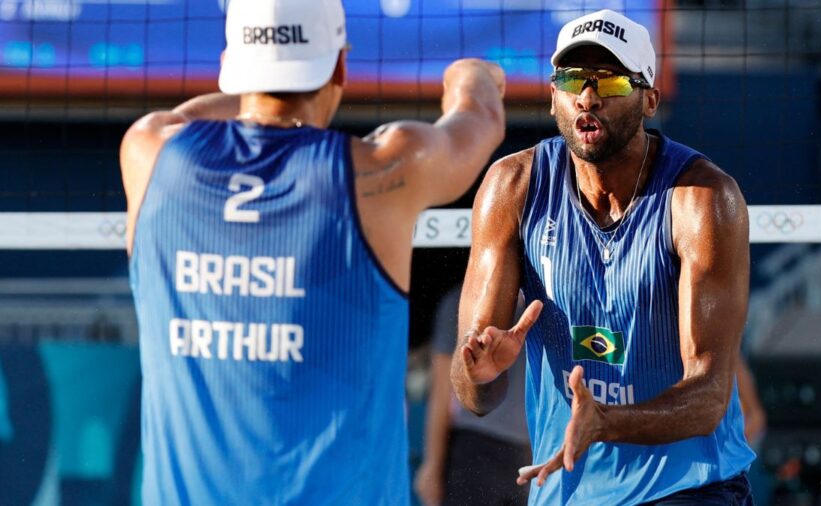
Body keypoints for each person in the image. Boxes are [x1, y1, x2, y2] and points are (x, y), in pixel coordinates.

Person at [118, 0, 506, 503]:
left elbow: (184, 118)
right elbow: (481, 120)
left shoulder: (148, 155)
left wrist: (257, 88)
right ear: (341, 65)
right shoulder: (383, 170)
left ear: (230, 66)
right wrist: (472, 74)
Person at [450, 8, 757, 505]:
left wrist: (605, 423)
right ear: (553, 97)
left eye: (610, 81)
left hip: (691, 488)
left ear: (649, 98)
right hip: (568, 489)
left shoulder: (701, 198)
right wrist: (480, 373)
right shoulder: (512, 187)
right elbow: (475, 395)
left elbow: (709, 396)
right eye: (572, 79)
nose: (587, 97)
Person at [415, 285, 531, 506]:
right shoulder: (458, 302)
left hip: (506, 453)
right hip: (485, 450)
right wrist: (432, 465)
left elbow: (440, 393)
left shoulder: (461, 301)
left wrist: (431, 464)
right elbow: (442, 392)